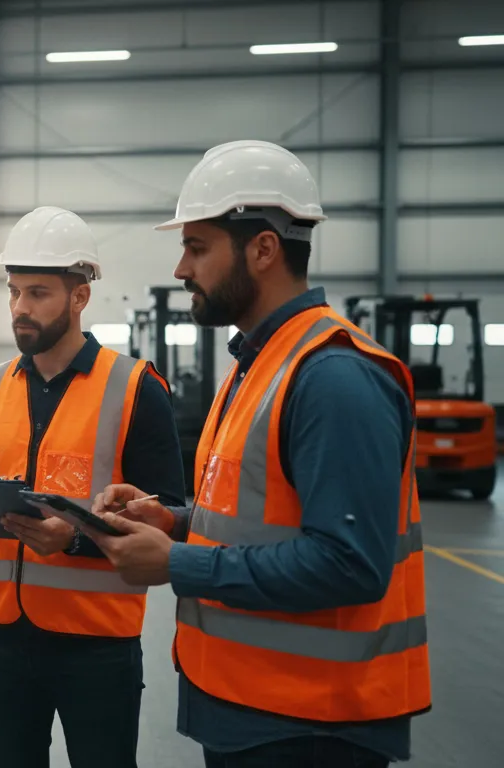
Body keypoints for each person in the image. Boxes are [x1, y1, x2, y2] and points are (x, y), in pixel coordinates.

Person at [85, 140, 431, 768]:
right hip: (257, 711)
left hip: (312, 727)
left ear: (263, 249)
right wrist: (174, 521)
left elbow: (351, 565)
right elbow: (259, 518)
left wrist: (179, 564)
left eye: (196, 247)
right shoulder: (259, 364)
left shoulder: (333, 377)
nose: (182, 268)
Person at [0, 206, 187, 768]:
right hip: (2, 637)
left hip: (97, 644)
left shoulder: (135, 387)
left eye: (38, 293)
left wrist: (75, 539)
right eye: (13, 292)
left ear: (79, 297)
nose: (20, 309)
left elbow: (170, 512)